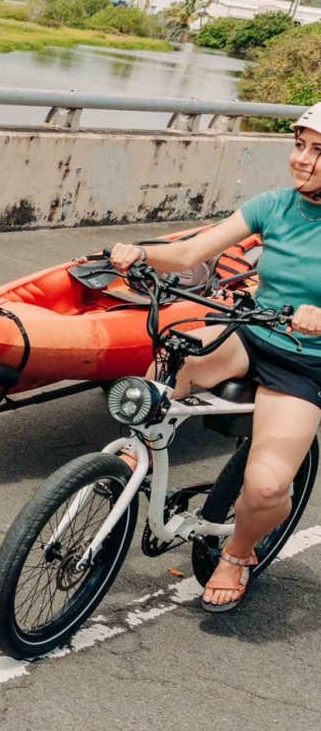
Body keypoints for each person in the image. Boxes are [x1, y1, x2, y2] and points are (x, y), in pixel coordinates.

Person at [109, 102, 321, 612]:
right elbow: (190, 252)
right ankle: (138, 448)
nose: (303, 160)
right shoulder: (275, 205)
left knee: (268, 487)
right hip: (252, 331)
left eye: (320, 152)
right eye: (301, 145)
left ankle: (239, 553)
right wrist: (139, 252)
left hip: (305, 363)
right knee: (176, 351)